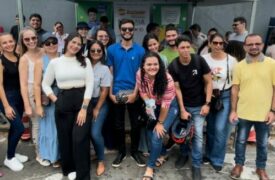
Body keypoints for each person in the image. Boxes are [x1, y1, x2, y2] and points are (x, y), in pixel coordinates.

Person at [42, 33, 93, 180]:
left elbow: (90, 84)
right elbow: (45, 84)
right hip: (63, 100)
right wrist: (55, 99)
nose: (76, 46)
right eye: (73, 42)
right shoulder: (55, 62)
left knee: (80, 138)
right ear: (67, 42)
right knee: (65, 138)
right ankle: (70, 168)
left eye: (79, 44)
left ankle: (83, 175)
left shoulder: (85, 61)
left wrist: (84, 109)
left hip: (82, 101)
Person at [229, 34, 275, 180]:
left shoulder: (272, 64)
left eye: (257, 43)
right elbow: (235, 89)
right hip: (243, 112)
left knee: (262, 143)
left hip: (264, 113)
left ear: (262, 45)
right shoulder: (239, 66)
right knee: (240, 141)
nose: (254, 47)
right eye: (250, 44)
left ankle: (260, 168)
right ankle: (239, 165)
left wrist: (273, 111)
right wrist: (233, 110)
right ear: (245, 46)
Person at [168, 36, 212, 180]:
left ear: (191, 47)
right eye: (182, 47)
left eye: (188, 47)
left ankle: (197, 166)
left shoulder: (199, 61)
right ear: (177, 49)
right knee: (183, 133)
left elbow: (209, 82)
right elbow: (177, 89)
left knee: (198, 135)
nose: (186, 50)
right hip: (184, 105)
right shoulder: (173, 66)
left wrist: (207, 104)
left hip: (200, 106)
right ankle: (183, 155)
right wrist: (182, 109)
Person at [107, 18, 145, 168]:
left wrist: (135, 93)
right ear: (120, 31)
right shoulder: (112, 49)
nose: (127, 31)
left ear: (134, 30)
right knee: (118, 125)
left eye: (130, 29)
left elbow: (141, 74)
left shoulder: (140, 50)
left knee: (136, 124)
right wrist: (110, 93)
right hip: (117, 92)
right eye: (124, 29)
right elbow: (110, 72)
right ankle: (121, 152)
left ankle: (135, 152)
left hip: (134, 91)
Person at [136, 52, 178, 180]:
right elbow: (142, 92)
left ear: (160, 65)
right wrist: (149, 105)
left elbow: (166, 105)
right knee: (150, 132)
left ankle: (150, 166)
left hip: (169, 107)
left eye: (155, 64)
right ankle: (163, 153)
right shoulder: (139, 74)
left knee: (157, 134)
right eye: (149, 64)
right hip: (152, 104)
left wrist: (159, 123)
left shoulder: (167, 79)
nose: (152, 67)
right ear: (143, 65)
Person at [202, 33, 237, 172]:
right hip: (208, 97)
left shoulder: (231, 60)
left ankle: (217, 158)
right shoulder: (203, 59)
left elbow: (236, 83)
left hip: (225, 96)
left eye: (221, 43)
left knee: (220, 129)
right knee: (210, 128)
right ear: (209, 43)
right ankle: (208, 154)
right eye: (215, 43)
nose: (218, 46)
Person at [18, 27, 47, 166]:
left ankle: (48, 150)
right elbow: (23, 85)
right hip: (31, 91)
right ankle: (39, 154)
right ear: (22, 41)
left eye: (33, 38)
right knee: (36, 124)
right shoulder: (24, 59)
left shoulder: (44, 51)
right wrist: (27, 105)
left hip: (46, 89)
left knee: (47, 122)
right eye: (27, 39)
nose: (31, 41)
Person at [0, 33, 28, 172]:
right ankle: (9, 158)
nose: (8, 44)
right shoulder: (0, 61)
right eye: (4, 43)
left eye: (10, 41)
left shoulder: (18, 57)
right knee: (19, 128)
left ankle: (12, 153)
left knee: (14, 127)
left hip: (19, 96)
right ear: (0, 46)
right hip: (7, 97)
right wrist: (6, 106)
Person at [33, 33, 60, 167]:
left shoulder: (64, 57)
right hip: (47, 98)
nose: (51, 45)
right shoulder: (40, 62)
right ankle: (50, 156)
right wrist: (38, 104)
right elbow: (37, 85)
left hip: (63, 96)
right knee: (49, 129)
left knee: (61, 128)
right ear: (43, 45)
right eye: (47, 43)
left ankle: (60, 155)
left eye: (53, 41)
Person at [87, 40, 111, 176]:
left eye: (99, 50)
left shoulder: (104, 69)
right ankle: (92, 154)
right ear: (88, 51)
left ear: (102, 52)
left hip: (99, 103)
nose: (96, 53)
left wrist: (97, 108)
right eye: (93, 50)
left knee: (95, 133)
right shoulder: (83, 65)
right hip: (84, 102)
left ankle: (101, 160)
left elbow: (104, 91)